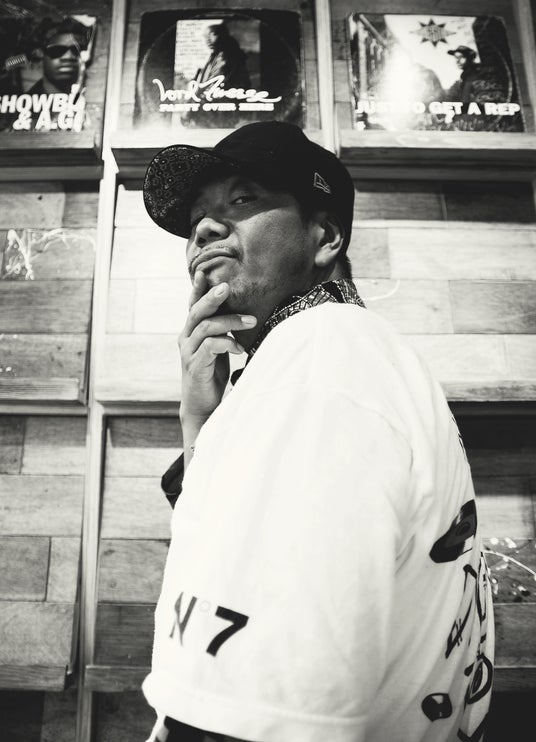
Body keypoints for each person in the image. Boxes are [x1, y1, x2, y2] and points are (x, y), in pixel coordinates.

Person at [142, 121, 494, 742]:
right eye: (197, 217)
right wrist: (201, 422)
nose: (204, 229)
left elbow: (257, 717)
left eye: (242, 198)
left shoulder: (318, 355)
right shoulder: (337, 356)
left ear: (325, 236)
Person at [195, 22, 251, 89]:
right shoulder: (214, 56)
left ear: (223, 35)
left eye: (213, 34)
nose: (208, 39)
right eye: (206, 36)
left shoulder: (230, 56)